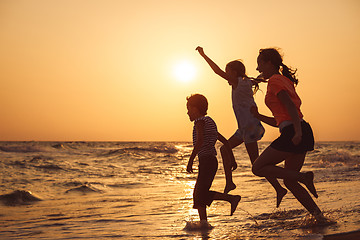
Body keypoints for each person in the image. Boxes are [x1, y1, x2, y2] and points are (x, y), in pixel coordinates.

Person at [196, 47, 287, 208]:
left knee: (257, 164)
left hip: (250, 127)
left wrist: (204, 55)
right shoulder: (246, 82)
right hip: (244, 128)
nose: (226, 74)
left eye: (228, 71)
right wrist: (261, 77)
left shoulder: (238, 82)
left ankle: (279, 188)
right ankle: (230, 183)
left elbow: (216, 71)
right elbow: (259, 79)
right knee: (225, 149)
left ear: (234, 73)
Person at [251, 48, 325, 220]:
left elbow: (291, 107)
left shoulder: (275, 81)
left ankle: (304, 177)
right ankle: (319, 216)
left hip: (295, 131)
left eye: (259, 63)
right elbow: (280, 120)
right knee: (289, 181)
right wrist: (258, 116)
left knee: (257, 167)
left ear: (269, 62)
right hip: (299, 129)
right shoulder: (282, 80)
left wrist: (297, 132)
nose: (257, 68)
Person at [186, 94, 241, 227]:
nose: (187, 112)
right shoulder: (210, 122)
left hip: (206, 162)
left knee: (199, 194)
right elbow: (226, 142)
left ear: (196, 109)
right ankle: (204, 224)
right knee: (199, 194)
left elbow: (199, 142)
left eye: (189, 109)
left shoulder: (199, 122)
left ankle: (231, 199)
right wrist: (232, 160)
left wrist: (190, 160)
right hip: (211, 162)